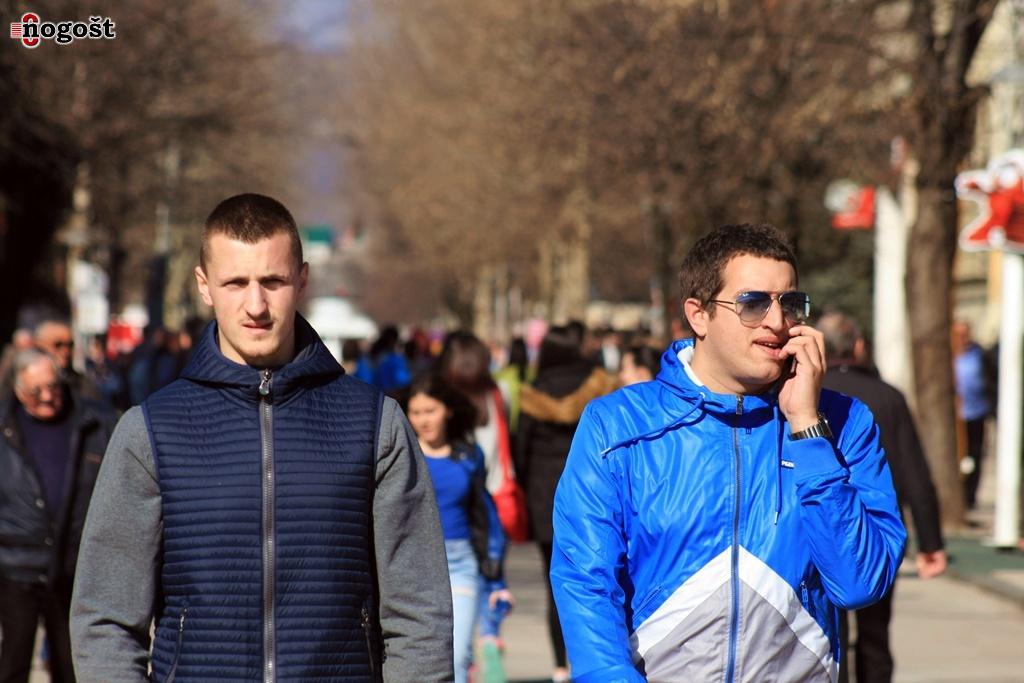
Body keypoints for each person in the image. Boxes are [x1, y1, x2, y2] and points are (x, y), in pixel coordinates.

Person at [70, 193, 453, 682]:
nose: (256, 306)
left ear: (302, 280)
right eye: (235, 283)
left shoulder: (375, 424)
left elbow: (419, 612)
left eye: (273, 281)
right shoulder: (150, 430)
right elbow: (105, 619)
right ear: (204, 286)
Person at [551, 223, 906, 683]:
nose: (777, 322)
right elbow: (586, 584)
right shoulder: (617, 424)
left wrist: (807, 426)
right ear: (698, 315)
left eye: (790, 304)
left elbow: (860, 583)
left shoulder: (844, 423)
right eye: (753, 304)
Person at [819, 311, 947, 683]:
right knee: (875, 633)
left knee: (828, 631)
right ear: (858, 346)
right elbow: (914, 471)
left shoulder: (804, 395)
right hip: (878, 527)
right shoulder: (887, 397)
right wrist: (930, 542)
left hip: (823, 527)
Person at [0, 349, 117, 683]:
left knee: (71, 663)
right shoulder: (5, 425)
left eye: (53, 386)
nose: (47, 397)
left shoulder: (96, 421)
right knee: (13, 660)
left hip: (74, 564)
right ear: (18, 390)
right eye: (35, 391)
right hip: (17, 563)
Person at [404, 372, 511, 683]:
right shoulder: (401, 454)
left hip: (460, 563)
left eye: (430, 411)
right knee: (418, 657)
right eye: (416, 412)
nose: (423, 420)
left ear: (447, 410)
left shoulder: (469, 455)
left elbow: (485, 517)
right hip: (412, 564)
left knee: (457, 655)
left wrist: (496, 578)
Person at [516, 326, 601, 683]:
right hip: (592, 495)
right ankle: (592, 661)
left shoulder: (533, 395)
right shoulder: (598, 386)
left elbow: (521, 452)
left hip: (544, 498)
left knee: (555, 582)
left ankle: (559, 667)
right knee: (597, 579)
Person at [438, 330, 519, 682]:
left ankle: (467, 658)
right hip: (495, 501)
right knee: (490, 577)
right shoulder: (497, 394)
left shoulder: (446, 402)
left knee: (460, 591)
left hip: (461, 505)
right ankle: (489, 635)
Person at [952, 321, 992, 509]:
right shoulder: (950, 356)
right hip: (956, 416)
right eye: (959, 334)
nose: (963, 338)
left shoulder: (979, 355)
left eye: (965, 333)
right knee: (959, 455)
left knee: (975, 454)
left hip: (976, 413)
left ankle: (970, 496)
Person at [33, 319, 101, 403]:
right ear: (39, 345)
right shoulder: (24, 382)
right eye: (58, 345)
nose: (66, 351)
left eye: (70, 345)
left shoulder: (83, 383)